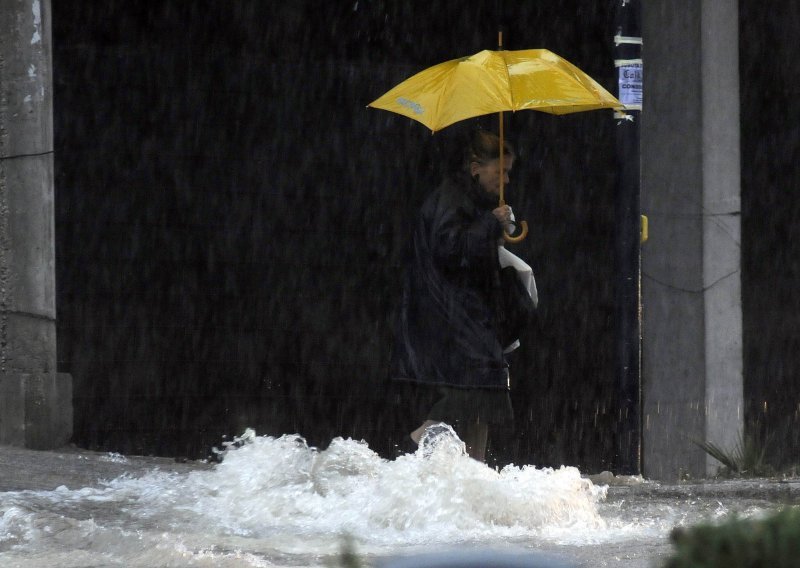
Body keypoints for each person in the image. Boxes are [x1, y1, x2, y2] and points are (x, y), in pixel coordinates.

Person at [391, 129, 532, 462]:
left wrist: (495, 231)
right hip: (447, 312)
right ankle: (421, 435)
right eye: (501, 172)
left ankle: (476, 465)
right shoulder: (451, 199)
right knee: (480, 380)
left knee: (485, 389)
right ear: (475, 168)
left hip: (464, 310)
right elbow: (450, 250)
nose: (507, 180)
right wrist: (489, 225)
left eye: (509, 173)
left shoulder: (470, 201)